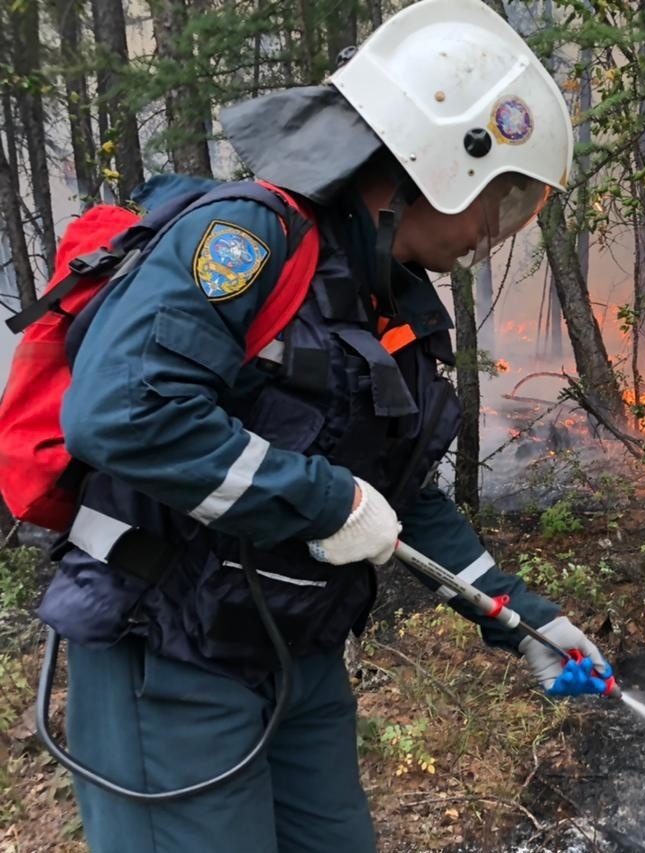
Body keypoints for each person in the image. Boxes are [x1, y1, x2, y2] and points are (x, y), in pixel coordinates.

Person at [35, 1, 611, 850]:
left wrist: (520, 617)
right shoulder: (244, 241)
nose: (497, 227)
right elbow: (123, 413)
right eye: (501, 196)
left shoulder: (386, 303)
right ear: (432, 163)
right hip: (169, 659)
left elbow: (401, 498)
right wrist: (325, 499)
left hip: (294, 657)